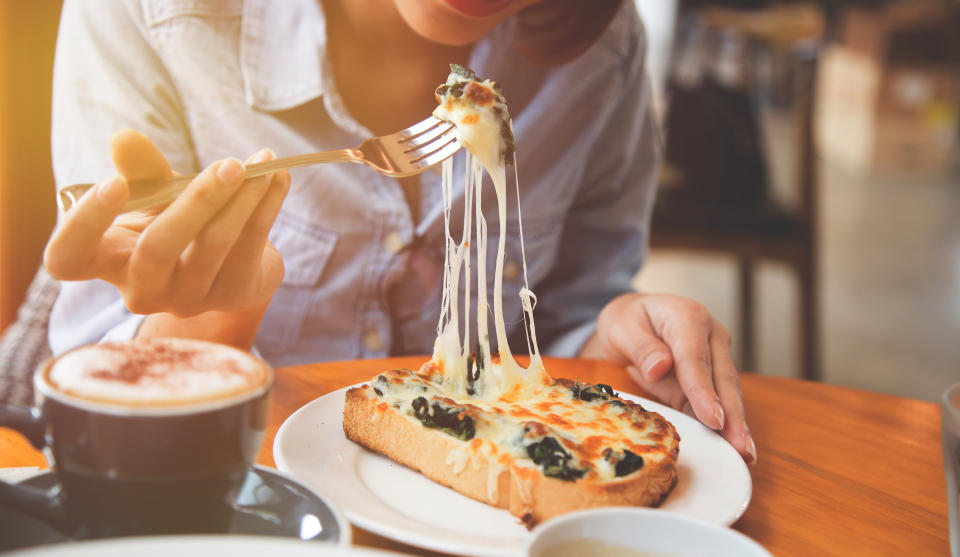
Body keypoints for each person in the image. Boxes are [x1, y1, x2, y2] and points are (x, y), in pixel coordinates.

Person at [43, 0, 755, 463]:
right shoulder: (146, 13)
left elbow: (561, 333)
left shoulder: (601, 51)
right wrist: (216, 311)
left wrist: (624, 334)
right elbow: (101, 433)